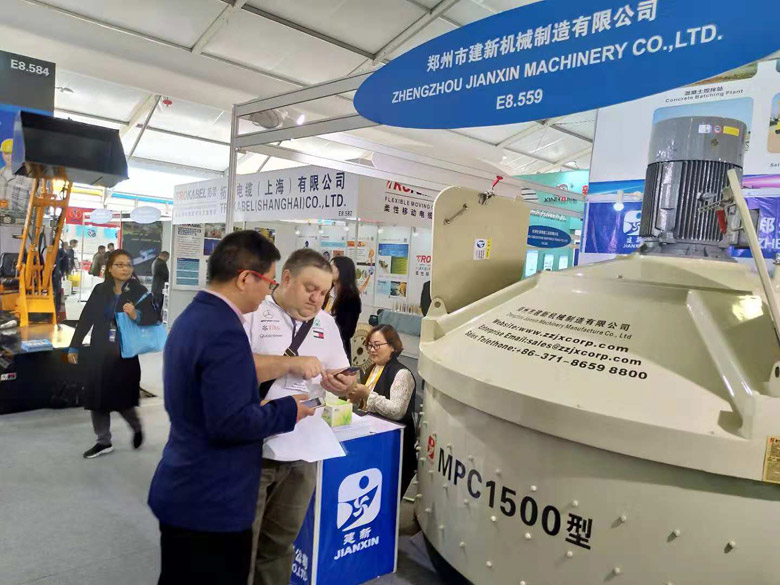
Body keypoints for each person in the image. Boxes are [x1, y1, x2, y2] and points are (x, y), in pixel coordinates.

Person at [148, 231, 315, 585]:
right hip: (212, 499)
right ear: (244, 278)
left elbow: (212, 401)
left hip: (186, 485)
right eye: (268, 281)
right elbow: (230, 422)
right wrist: (288, 410)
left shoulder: (194, 317)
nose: (268, 291)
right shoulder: (224, 330)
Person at [245, 248, 356, 585]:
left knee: (280, 544)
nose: (317, 298)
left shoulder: (326, 324)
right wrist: (290, 364)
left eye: (324, 292)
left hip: (303, 449)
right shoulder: (252, 312)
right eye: (310, 288)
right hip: (251, 447)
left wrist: (344, 383)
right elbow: (228, 367)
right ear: (287, 277)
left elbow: (341, 373)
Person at [68, 249, 158, 458]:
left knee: (122, 398)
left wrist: (136, 314)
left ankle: (135, 426)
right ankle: (103, 441)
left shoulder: (138, 291)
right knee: (97, 398)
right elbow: (86, 318)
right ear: (109, 268)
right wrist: (74, 346)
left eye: (129, 265)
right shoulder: (100, 290)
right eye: (120, 264)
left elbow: (153, 319)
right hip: (100, 350)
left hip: (125, 353)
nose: (125, 268)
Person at [347, 325, 417, 498]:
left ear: (392, 346)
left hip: (394, 447)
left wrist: (367, 394)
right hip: (374, 441)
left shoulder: (401, 374)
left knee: (387, 496)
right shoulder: (372, 369)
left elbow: (397, 411)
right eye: (369, 345)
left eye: (377, 345)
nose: (372, 350)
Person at [329, 255, 362, 359]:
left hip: (338, 348)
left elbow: (348, 331)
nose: (328, 270)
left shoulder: (352, 298)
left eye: (332, 267)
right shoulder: (326, 291)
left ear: (342, 270)